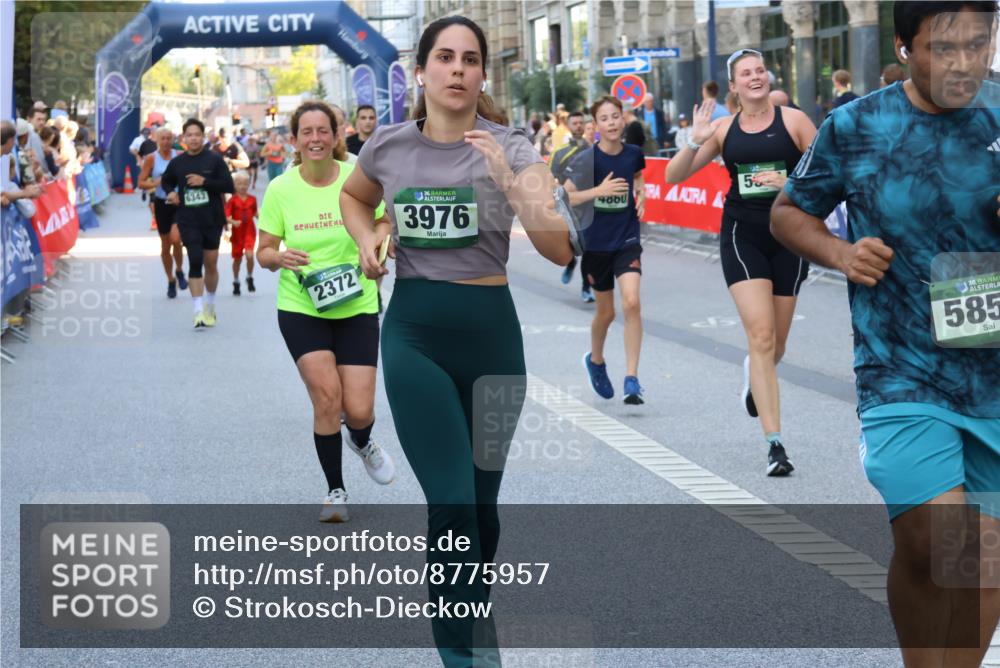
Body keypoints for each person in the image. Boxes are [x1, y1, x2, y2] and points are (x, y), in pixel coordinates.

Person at [340, 16, 574, 666]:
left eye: (470, 59)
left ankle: (470, 606)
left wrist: (506, 175)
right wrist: (366, 240)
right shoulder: (387, 147)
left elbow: (558, 247)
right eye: (444, 57)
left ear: (481, 74)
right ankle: (467, 658)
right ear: (423, 70)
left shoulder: (513, 144)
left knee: (482, 512)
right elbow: (355, 201)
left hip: (494, 342)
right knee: (450, 503)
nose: (458, 68)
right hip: (415, 334)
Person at [773, 2, 1000, 664]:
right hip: (898, 364)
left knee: (983, 561)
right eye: (943, 47)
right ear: (904, 48)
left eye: (977, 45)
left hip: (991, 366)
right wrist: (840, 253)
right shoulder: (856, 126)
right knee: (934, 542)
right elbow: (790, 211)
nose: (963, 63)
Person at [666, 48, 817, 476]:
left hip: (790, 237)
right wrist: (695, 138)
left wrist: (790, 181)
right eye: (745, 73)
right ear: (733, 86)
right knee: (762, 335)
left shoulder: (795, 122)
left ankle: (754, 374)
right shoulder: (723, 128)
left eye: (760, 70)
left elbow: (830, 173)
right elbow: (674, 176)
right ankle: (775, 445)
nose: (755, 77)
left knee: (776, 346)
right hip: (742, 235)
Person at [258, 100, 397, 523]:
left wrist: (375, 246)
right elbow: (262, 252)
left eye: (324, 131)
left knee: (359, 410)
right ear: (294, 140)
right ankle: (335, 491)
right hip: (302, 306)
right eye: (307, 132)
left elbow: (384, 220)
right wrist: (279, 258)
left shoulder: (359, 173)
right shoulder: (282, 188)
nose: (315, 139)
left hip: (356, 303)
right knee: (326, 398)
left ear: (337, 134)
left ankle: (363, 439)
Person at [563, 96, 647, 405]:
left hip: (627, 239)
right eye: (605, 118)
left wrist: (642, 192)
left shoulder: (635, 154)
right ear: (595, 126)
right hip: (596, 245)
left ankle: (632, 378)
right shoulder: (587, 160)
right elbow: (561, 199)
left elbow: (637, 177)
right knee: (606, 312)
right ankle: (596, 360)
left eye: (616, 116)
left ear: (623, 120)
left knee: (632, 302)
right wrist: (598, 191)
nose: (611, 123)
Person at [160, 118, 234, 328]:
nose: (193, 138)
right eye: (189, 135)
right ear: (183, 138)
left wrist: (205, 182)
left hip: (212, 219)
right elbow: (166, 180)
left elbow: (228, 185)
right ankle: (198, 311)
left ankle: (210, 304)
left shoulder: (214, 160)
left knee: (211, 264)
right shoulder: (178, 162)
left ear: (203, 137)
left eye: (197, 135)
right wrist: (172, 192)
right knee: (194, 260)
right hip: (188, 219)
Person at [550, 111, 596, 303]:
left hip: (591, 205)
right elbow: (549, 177)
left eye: (580, 122)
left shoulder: (593, 149)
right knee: (571, 244)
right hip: (569, 205)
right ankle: (570, 262)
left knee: (590, 248)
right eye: (574, 123)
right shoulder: (560, 152)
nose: (578, 125)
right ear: (569, 126)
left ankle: (587, 287)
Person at [138, 127, 187, 299]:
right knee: (165, 246)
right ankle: (171, 279)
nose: (166, 141)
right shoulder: (152, 158)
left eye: (169, 138)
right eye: (163, 138)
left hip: (178, 203)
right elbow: (141, 183)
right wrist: (156, 183)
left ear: (173, 139)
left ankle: (180, 270)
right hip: (161, 204)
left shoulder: (180, 156)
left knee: (176, 239)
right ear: (157, 140)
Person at [225, 172, 257, 296]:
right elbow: (226, 216)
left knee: (250, 256)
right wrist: (233, 221)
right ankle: (236, 281)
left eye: (245, 183)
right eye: (239, 184)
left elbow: (255, 213)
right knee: (237, 258)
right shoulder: (232, 200)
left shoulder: (252, 199)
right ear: (235, 185)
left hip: (249, 231)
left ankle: (249, 277)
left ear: (248, 184)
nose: (242, 186)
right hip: (237, 233)